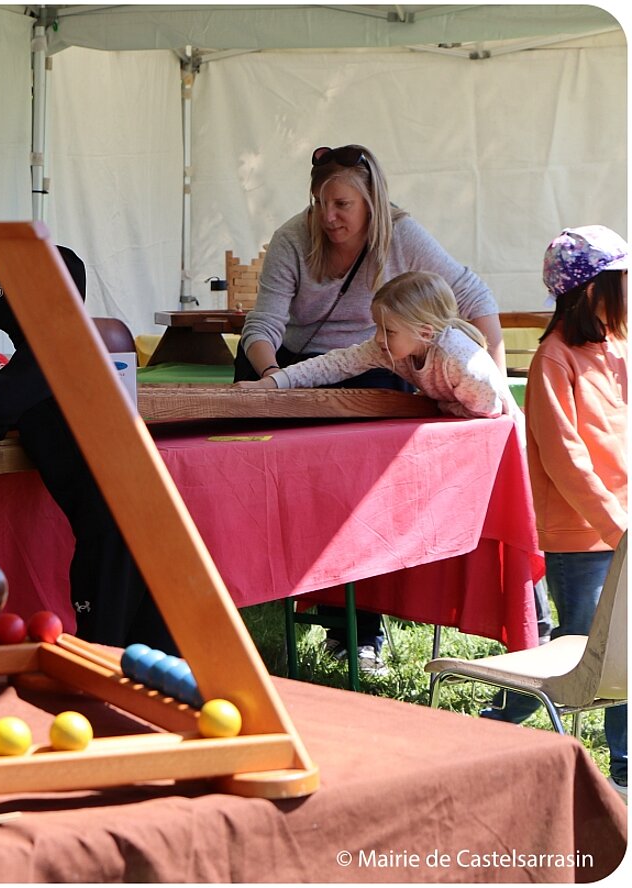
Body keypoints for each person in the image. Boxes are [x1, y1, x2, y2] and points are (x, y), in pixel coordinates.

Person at [235, 144, 507, 668]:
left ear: (372, 202)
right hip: (301, 364)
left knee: (356, 492)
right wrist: (272, 381)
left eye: (342, 204)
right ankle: (255, 584)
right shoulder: (295, 236)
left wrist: (492, 377)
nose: (328, 216)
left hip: (378, 362)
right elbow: (263, 324)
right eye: (319, 203)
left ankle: (358, 629)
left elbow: (475, 296)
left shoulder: (402, 235)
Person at [0, 247, 177, 653]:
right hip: (149, 514)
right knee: (150, 651)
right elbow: (20, 407)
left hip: (110, 527)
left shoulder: (46, 354)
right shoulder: (78, 354)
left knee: (101, 650)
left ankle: (99, 712)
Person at [485, 225, 627, 798]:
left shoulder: (617, 350)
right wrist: (617, 527)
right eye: (621, 281)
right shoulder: (552, 360)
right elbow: (567, 459)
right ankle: (500, 726)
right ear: (591, 289)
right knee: (587, 650)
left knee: (620, 650)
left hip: (621, 529)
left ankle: (623, 764)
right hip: (584, 536)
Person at [235, 270, 519, 421]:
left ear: (424, 332)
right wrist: (271, 384)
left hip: (495, 436)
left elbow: (489, 409)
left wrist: (439, 405)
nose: (379, 338)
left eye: (389, 330)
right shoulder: (389, 348)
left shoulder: (457, 357)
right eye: (378, 327)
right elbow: (332, 365)